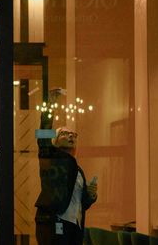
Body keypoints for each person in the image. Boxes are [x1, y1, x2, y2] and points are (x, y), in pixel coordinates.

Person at [34, 89, 98, 245]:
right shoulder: (50, 157)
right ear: (54, 140)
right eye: (64, 133)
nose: (70, 136)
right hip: (53, 222)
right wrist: (49, 106)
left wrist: (90, 196)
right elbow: (42, 133)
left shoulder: (77, 170)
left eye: (73, 135)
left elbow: (78, 202)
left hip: (74, 226)